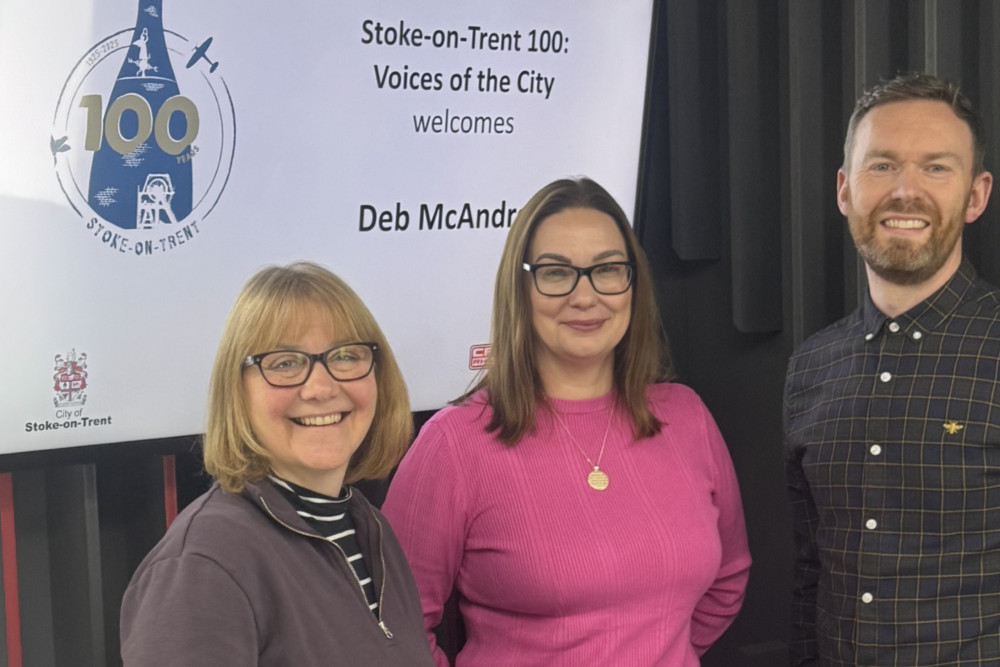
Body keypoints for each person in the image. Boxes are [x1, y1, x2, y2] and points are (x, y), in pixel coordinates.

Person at [382, 177, 751, 666]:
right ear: (521, 287)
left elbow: (727, 579)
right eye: (557, 273)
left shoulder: (685, 417)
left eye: (607, 270)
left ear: (633, 284)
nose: (585, 296)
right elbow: (393, 627)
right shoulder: (455, 444)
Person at [120, 262, 435, 666]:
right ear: (237, 391)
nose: (321, 388)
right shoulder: (200, 568)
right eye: (285, 363)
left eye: (345, 356)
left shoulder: (370, 529)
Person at [785, 72, 999, 665]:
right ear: (844, 190)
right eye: (881, 166)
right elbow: (811, 576)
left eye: (936, 167)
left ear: (976, 195)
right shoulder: (810, 367)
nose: (906, 191)